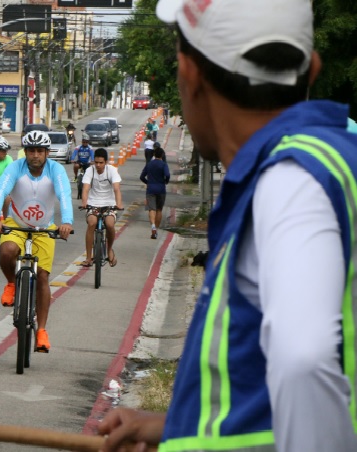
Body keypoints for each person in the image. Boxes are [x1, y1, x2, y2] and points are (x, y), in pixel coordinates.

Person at [99, 1, 357, 451]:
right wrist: (177, 426)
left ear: (190, 73)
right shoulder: (333, 160)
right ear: (311, 69)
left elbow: (304, 361)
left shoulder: (289, 180)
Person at [0, 131, 73, 353]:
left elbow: (64, 195)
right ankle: (11, 283)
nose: (35, 155)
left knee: (43, 276)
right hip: (16, 225)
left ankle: (42, 330)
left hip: (44, 228)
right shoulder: (15, 168)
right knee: (6, 250)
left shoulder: (56, 170)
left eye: (40, 151)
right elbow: (0, 191)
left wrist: (67, 221)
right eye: (31, 151)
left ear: (47, 152)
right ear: (25, 152)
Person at [80, 148, 123, 267]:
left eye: (101, 163)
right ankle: (88, 258)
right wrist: (84, 202)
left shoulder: (112, 171)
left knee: (109, 224)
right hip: (93, 203)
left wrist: (118, 204)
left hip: (109, 203)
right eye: (96, 162)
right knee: (92, 223)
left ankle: (109, 250)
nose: (98, 165)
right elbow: (86, 188)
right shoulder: (90, 171)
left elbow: (116, 189)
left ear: (106, 162)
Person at [140, 147, 169, 240]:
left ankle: (152, 226)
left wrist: (147, 182)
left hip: (150, 190)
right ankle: (156, 229)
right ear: (162, 155)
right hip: (161, 189)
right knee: (159, 210)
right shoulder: (164, 165)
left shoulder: (149, 164)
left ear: (154, 155)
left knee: (151, 209)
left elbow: (141, 176)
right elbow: (167, 175)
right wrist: (166, 181)